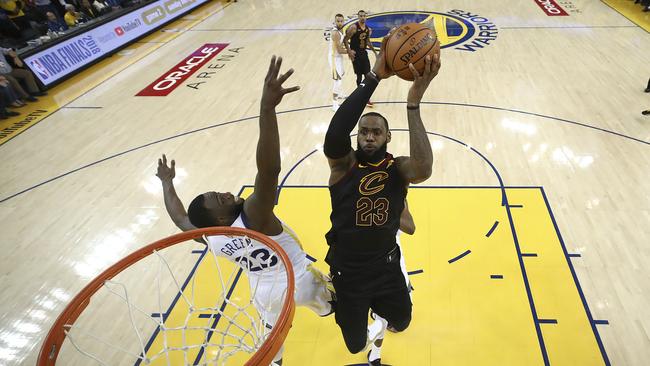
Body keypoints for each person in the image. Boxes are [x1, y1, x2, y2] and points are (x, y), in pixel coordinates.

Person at [156, 56, 334, 366]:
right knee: (336, 304)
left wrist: (167, 184)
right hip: (299, 281)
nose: (225, 193)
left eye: (217, 192)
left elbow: (181, 218)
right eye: (219, 199)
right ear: (222, 217)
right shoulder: (254, 215)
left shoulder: (212, 237)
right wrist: (267, 109)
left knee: (272, 342)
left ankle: (276, 361)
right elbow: (269, 170)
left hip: (263, 295)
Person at [323, 29, 440, 365]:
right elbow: (334, 132)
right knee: (354, 345)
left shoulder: (398, 168)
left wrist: (413, 103)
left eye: (376, 132)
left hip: (386, 268)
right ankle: (340, 302)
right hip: (348, 273)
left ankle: (380, 310)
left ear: (388, 136)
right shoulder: (342, 165)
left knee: (402, 322)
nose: (370, 136)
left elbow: (424, 168)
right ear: (357, 136)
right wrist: (373, 76)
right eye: (364, 131)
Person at [343, 10, 377, 106]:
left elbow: (368, 42)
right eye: (361, 16)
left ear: (366, 17)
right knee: (359, 76)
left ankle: (366, 96)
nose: (362, 17)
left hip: (363, 53)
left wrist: (375, 52)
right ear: (358, 17)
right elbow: (345, 40)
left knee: (368, 75)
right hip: (356, 54)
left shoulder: (368, 29)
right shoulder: (353, 28)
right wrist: (349, 51)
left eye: (364, 16)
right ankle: (360, 96)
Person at [329, 13, 347, 112]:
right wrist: (350, 51)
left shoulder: (341, 29)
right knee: (337, 80)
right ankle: (334, 104)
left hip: (338, 57)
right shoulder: (335, 33)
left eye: (341, 21)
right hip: (334, 58)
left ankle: (339, 94)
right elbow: (339, 50)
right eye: (338, 21)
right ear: (335, 22)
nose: (340, 23)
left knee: (342, 73)